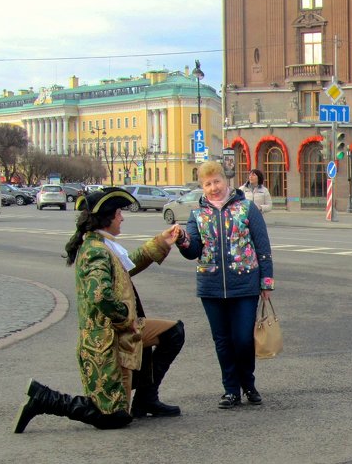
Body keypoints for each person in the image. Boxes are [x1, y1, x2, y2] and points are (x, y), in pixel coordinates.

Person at [14, 187, 185, 433]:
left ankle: (146, 398)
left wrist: (161, 242)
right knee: (114, 417)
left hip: (118, 332)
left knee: (173, 333)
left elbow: (126, 266)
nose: (122, 217)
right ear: (107, 217)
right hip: (105, 342)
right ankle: (45, 399)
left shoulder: (101, 244)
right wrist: (127, 318)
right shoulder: (95, 251)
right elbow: (100, 295)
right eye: (118, 213)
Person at [177, 160, 274, 409]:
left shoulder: (246, 208)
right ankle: (231, 390)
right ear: (202, 186)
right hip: (211, 287)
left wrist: (266, 282)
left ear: (226, 181)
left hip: (244, 285)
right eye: (207, 184)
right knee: (222, 341)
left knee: (242, 338)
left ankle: (248, 384)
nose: (213, 188)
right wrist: (183, 240)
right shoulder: (197, 215)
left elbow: (262, 247)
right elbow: (193, 251)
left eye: (217, 181)